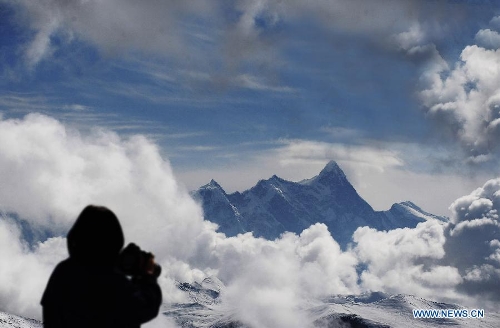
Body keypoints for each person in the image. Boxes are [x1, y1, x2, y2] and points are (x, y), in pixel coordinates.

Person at [41, 205, 162, 328]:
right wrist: (148, 276)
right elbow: (143, 308)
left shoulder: (62, 271)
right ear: (113, 239)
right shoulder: (110, 280)